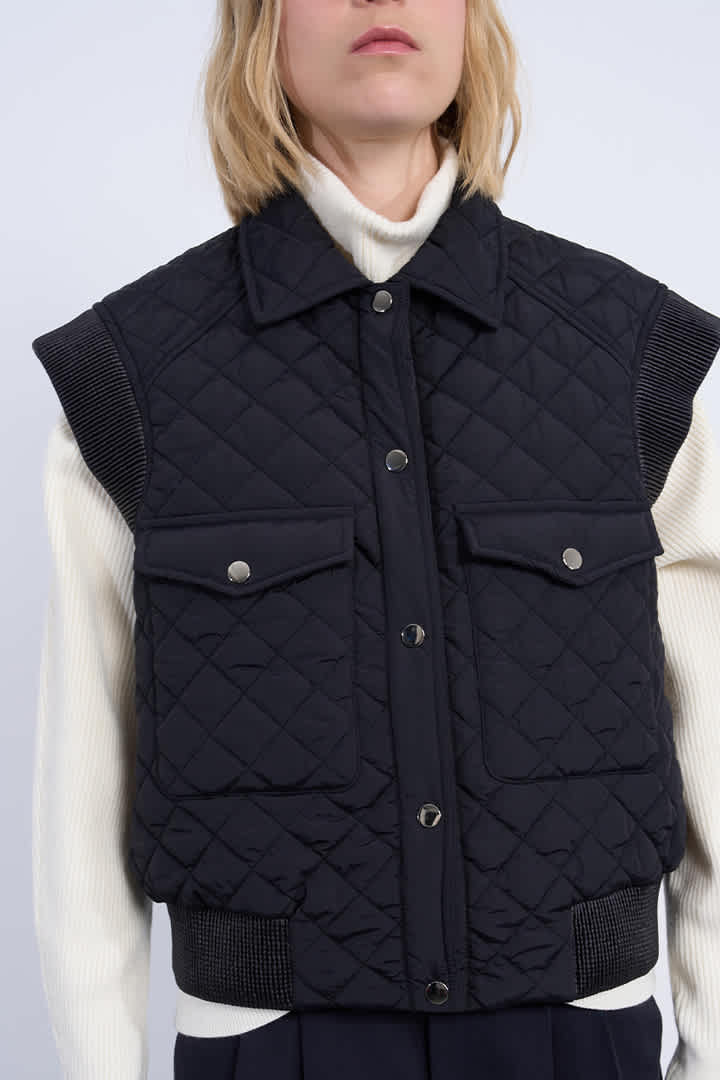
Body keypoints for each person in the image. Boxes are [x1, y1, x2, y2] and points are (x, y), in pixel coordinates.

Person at [31, 1, 720, 1078]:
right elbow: (82, 793)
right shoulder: (132, 378)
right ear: (261, 26)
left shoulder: (626, 354)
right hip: (273, 1045)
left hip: (580, 1038)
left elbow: (712, 732)